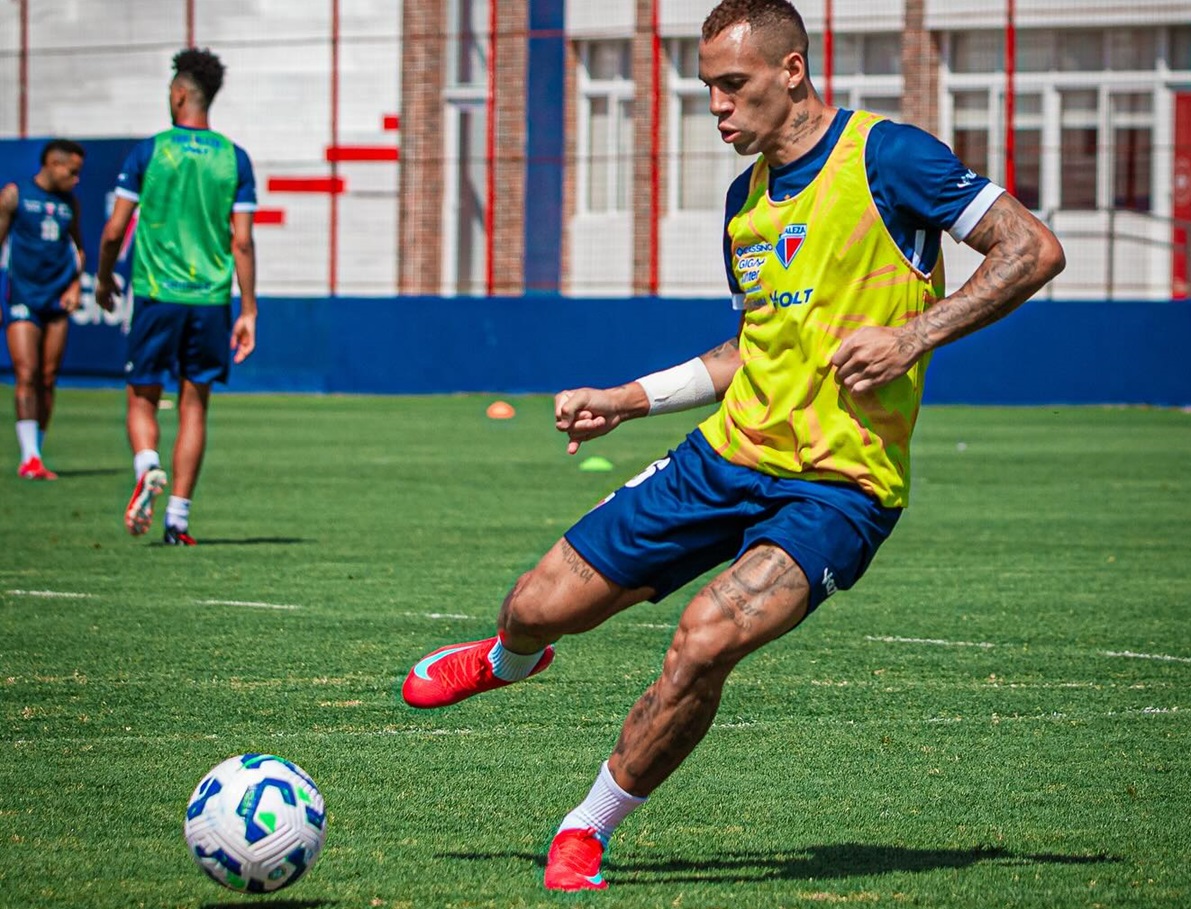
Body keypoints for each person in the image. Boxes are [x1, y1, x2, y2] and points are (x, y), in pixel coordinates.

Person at [402, 0, 1065, 892]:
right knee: (535, 602)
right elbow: (751, 345)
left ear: (792, 72)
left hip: (839, 489)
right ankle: (508, 657)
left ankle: (585, 828)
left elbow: (1031, 248)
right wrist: (629, 400)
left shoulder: (888, 157)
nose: (715, 104)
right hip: (724, 459)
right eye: (707, 85)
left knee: (705, 638)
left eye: (731, 84)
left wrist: (912, 336)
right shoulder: (744, 201)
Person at [95, 47, 258, 546]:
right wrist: (248, 309)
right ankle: (178, 520)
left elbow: (114, 230)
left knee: (142, 396)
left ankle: (147, 464)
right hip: (210, 298)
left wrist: (103, 279)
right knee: (195, 404)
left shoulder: (150, 151)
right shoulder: (234, 157)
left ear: (180, 93)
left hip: (156, 293)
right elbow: (243, 240)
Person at [0, 139, 86, 480]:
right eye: (73, 171)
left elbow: (79, 249)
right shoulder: (14, 196)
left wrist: (76, 284)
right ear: (52, 163)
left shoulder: (69, 204)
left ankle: (37, 452)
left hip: (56, 299)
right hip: (23, 295)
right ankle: (29, 456)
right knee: (26, 373)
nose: (77, 179)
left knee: (48, 378)